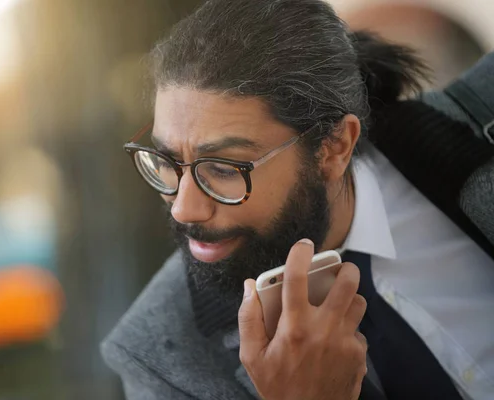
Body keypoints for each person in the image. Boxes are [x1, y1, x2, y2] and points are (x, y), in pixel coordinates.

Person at [101, 0, 494, 399]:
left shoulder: (478, 117)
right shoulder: (160, 359)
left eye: (222, 168)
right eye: (167, 161)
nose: (185, 208)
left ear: (335, 146)